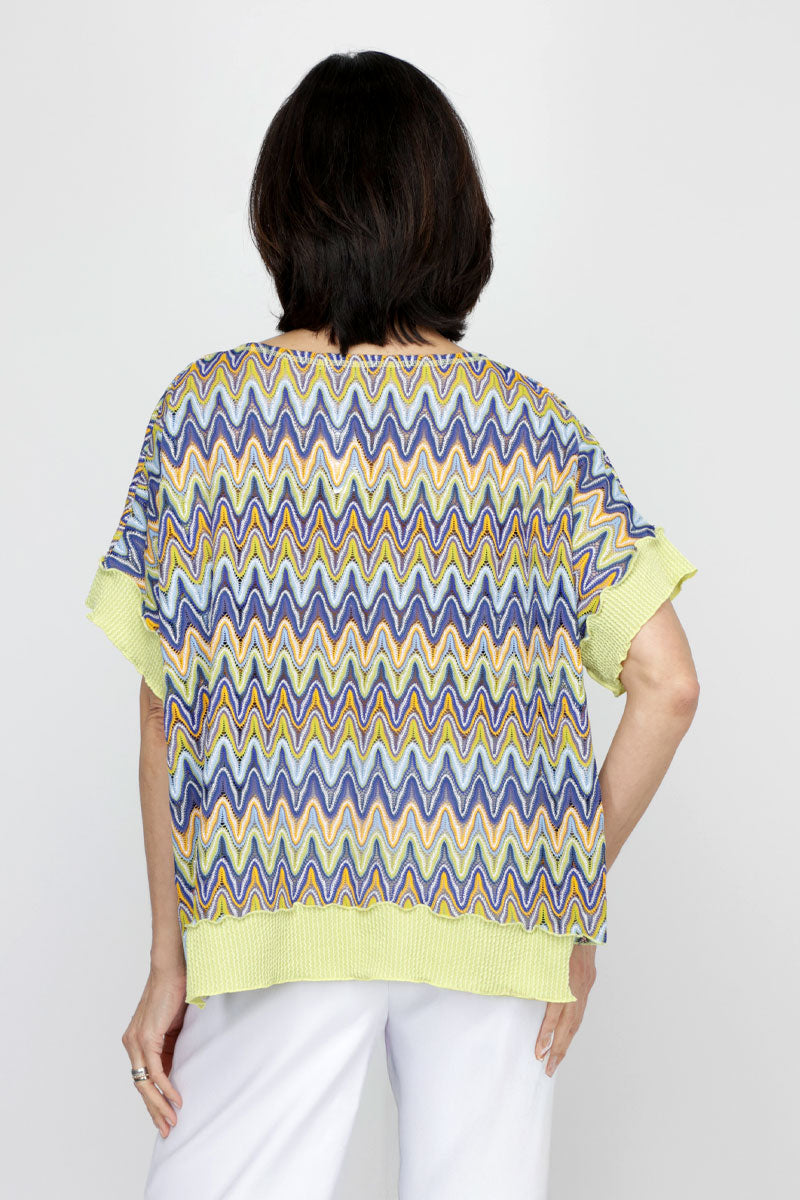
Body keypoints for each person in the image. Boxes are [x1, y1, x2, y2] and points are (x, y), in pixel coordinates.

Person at [84, 49, 700, 1200]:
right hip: (498, 906)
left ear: (281, 211)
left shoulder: (202, 419)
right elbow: (667, 684)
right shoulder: (532, 429)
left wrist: (169, 961)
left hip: (276, 896)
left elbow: (168, 714)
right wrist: (567, 903)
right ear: (450, 216)